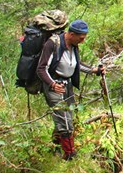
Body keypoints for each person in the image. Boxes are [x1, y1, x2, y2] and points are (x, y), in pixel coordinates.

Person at [37, 19, 104, 160]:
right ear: (72, 34)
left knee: (66, 119)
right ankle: (70, 156)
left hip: (67, 86)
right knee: (65, 122)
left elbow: (76, 64)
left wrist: (94, 70)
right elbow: (41, 69)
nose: (83, 41)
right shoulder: (52, 44)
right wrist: (53, 84)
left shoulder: (73, 45)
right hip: (54, 87)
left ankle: (54, 148)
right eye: (81, 38)